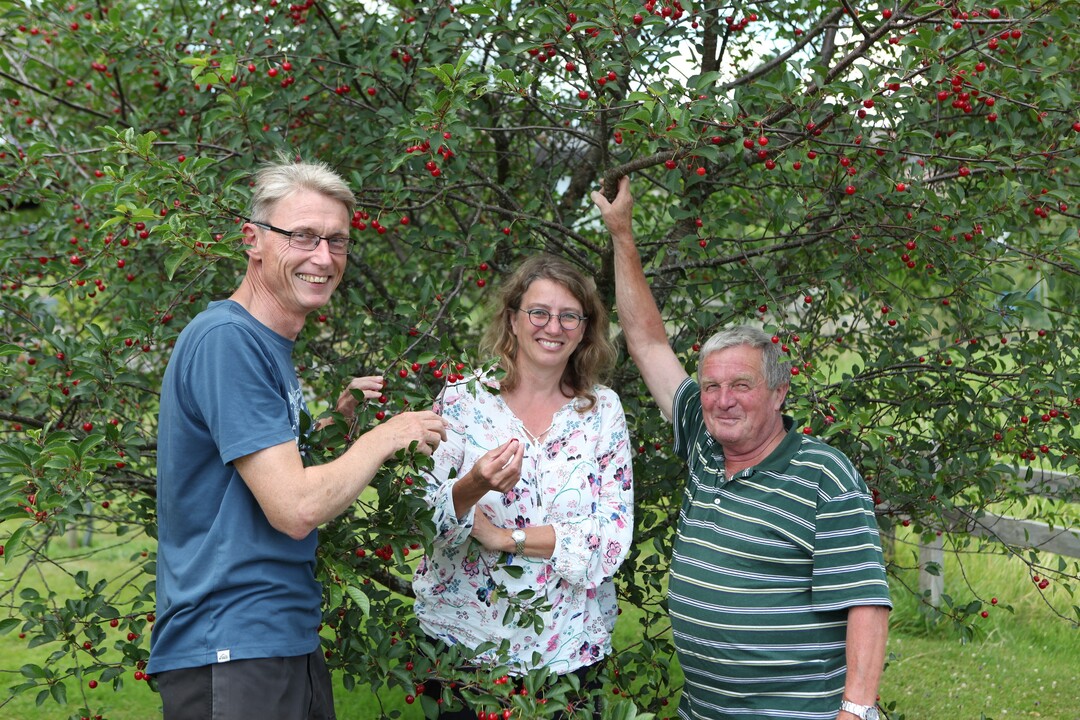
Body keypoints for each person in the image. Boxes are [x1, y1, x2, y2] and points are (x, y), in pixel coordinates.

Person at [148, 158, 447, 720]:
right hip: (231, 643)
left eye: (337, 241)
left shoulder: (265, 346)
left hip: (278, 637)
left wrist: (335, 425)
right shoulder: (227, 341)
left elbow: (254, 481)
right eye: (303, 236)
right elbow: (294, 507)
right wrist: (388, 436)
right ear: (253, 240)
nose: (323, 257)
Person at [592, 176, 891, 720]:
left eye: (741, 386)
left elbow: (866, 603)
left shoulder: (824, 474)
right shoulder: (705, 446)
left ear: (779, 393)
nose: (723, 400)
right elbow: (648, 340)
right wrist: (622, 234)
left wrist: (856, 711)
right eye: (711, 387)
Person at [411, 254, 634, 718]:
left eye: (569, 315)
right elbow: (422, 518)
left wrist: (503, 537)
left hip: (568, 653)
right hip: (463, 650)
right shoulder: (462, 400)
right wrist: (471, 486)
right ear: (512, 319)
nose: (553, 326)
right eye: (539, 312)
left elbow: (611, 540)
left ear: (585, 328)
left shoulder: (602, 413)